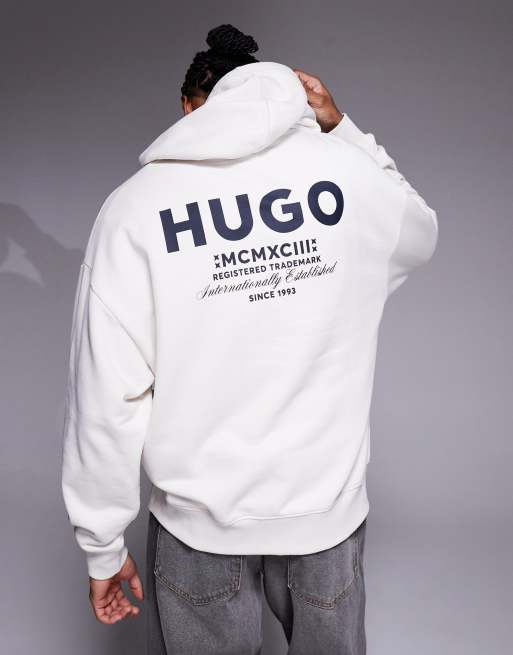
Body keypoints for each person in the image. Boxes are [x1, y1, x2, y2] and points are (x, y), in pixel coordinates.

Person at [61, 23, 438, 655]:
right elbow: (419, 233)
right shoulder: (351, 177)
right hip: (325, 513)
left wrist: (102, 546)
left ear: (189, 107)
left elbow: (105, 396)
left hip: (198, 524)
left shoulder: (133, 210)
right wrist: (341, 127)